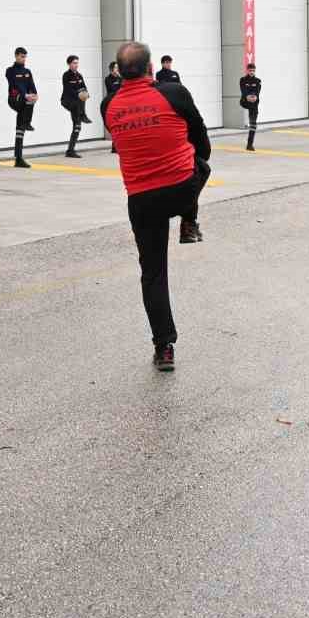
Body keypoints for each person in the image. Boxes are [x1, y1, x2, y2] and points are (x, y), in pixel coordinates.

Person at [101, 41, 211, 371]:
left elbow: (122, 144)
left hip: (142, 199)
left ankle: (164, 347)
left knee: (153, 274)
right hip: (181, 189)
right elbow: (201, 138)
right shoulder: (175, 93)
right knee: (202, 165)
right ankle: (189, 221)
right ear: (151, 68)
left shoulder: (108, 105)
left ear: (118, 71)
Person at [6, 47, 37, 167]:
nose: (24, 59)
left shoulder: (28, 71)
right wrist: (26, 95)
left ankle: (18, 158)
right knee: (28, 102)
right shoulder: (10, 70)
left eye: (25, 56)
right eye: (22, 56)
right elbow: (16, 84)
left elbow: (32, 85)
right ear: (16, 56)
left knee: (20, 129)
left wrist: (35, 94)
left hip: (25, 100)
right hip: (15, 99)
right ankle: (27, 122)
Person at [61, 54, 91, 158]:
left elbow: (84, 87)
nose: (76, 65)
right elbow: (68, 89)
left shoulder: (79, 75)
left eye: (77, 63)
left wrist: (87, 93)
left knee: (77, 127)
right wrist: (79, 94)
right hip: (67, 101)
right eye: (74, 63)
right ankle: (82, 115)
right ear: (69, 64)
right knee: (78, 100)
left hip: (77, 103)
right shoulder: (66, 75)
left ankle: (70, 150)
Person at [238, 63, 262, 151]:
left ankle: (249, 144)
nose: (252, 72)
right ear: (247, 70)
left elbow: (257, 92)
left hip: (254, 103)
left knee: (253, 124)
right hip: (245, 102)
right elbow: (244, 91)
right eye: (250, 70)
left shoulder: (258, 81)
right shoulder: (243, 80)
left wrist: (254, 97)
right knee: (247, 100)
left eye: (253, 71)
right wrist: (248, 96)